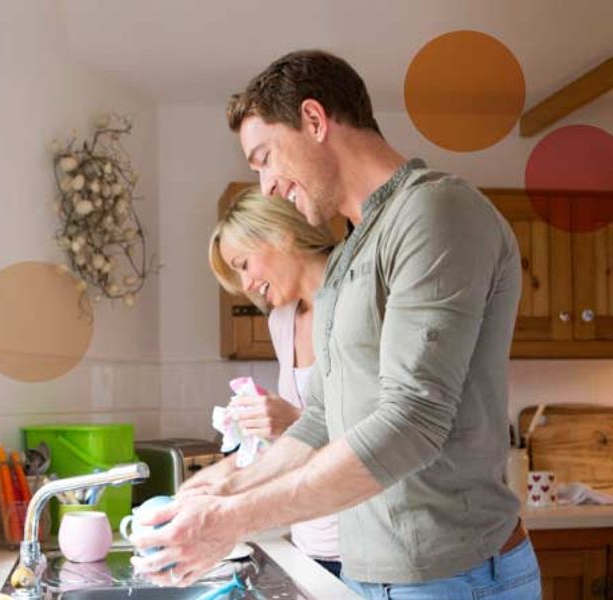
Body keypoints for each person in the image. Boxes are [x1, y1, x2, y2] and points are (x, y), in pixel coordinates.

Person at [130, 50, 538, 598]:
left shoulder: (437, 212)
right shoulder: (349, 256)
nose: (268, 185)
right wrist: (224, 485)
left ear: (315, 120)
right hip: (378, 575)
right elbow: (321, 419)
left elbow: (411, 421)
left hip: (453, 576)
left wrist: (233, 518)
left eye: (265, 157)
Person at [206, 186, 342, 576]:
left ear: (281, 233)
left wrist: (292, 418)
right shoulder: (281, 320)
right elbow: (303, 435)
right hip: (311, 541)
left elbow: (385, 426)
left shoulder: (357, 300)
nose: (246, 285)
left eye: (244, 263)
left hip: (369, 543)